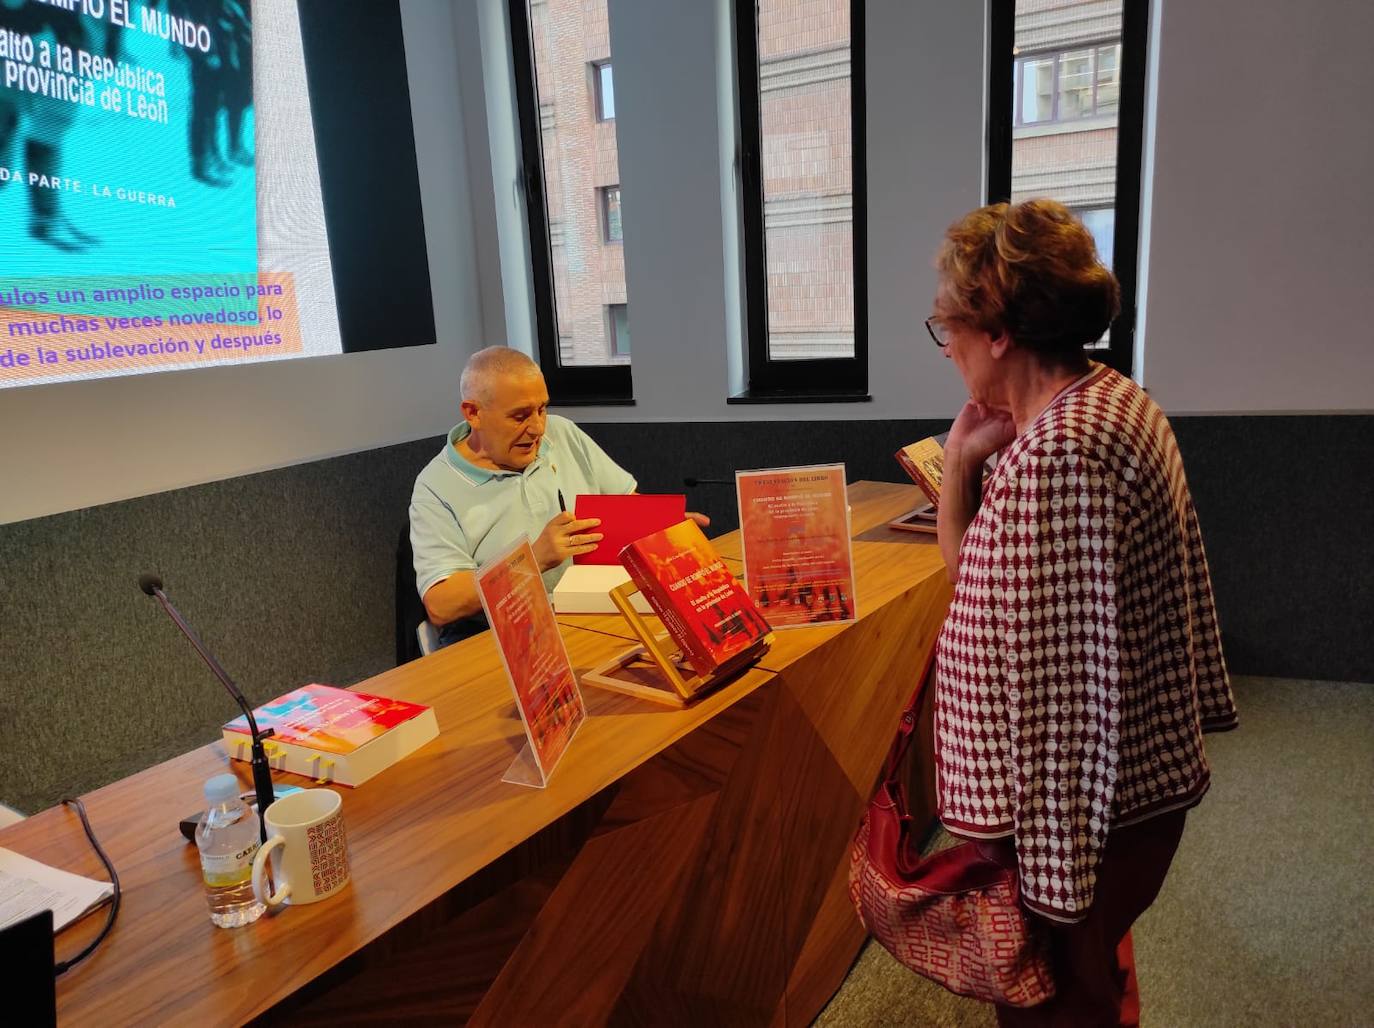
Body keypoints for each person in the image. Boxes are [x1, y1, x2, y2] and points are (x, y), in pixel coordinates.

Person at [927, 199, 1238, 1026]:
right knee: (1091, 979)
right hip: (1115, 798)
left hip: (1080, 817)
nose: (945, 345)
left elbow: (1065, 702)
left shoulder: (1063, 455)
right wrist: (961, 461)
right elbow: (981, 594)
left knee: (1060, 1003)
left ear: (997, 330)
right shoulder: (1098, 404)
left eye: (946, 324)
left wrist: (1049, 888)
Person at [410, 346, 704, 648]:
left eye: (542, 409)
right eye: (520, 416)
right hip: (502, 640)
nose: (537, 428)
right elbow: (441, 605)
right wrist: (532, 559)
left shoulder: (561, 433)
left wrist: (664, 526)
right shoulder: (436, 486)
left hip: (589, 617)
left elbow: (628, 503)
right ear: (473, 414)